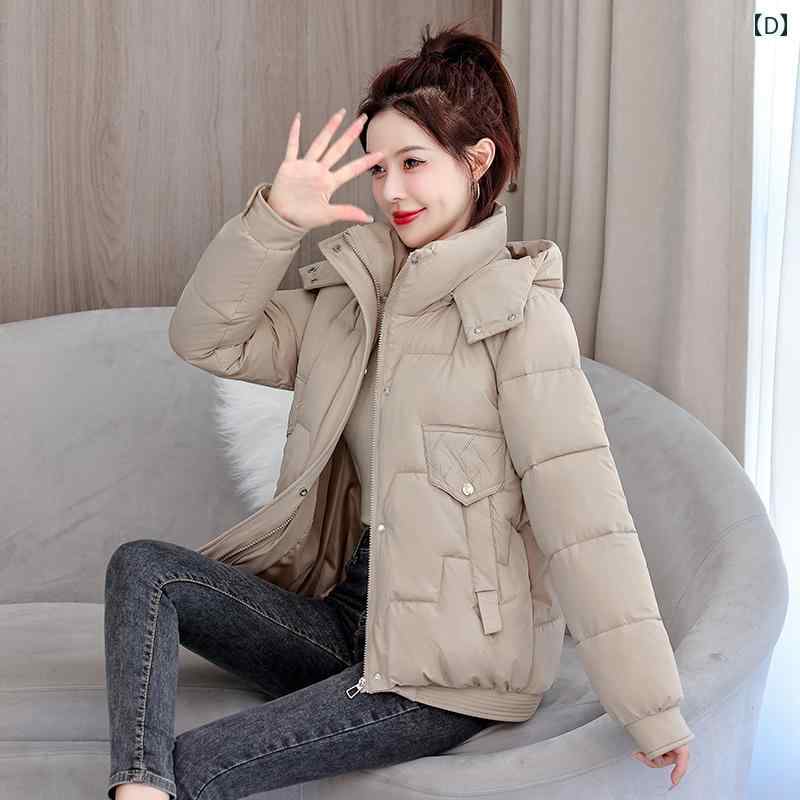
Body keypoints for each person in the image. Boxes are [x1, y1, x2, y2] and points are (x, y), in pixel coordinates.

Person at [105, 22, 691, 800]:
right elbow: (205, 339)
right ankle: (137, 786)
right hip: (344, 619)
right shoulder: (351, 302)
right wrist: (278, 220)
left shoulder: (520, 318)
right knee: (145, 569)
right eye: (379, 169)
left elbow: (584, 520)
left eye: (413, 163)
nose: (391, 192)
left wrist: (653, 711)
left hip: (445, 672)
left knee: (203, 764)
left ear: (477, 161)